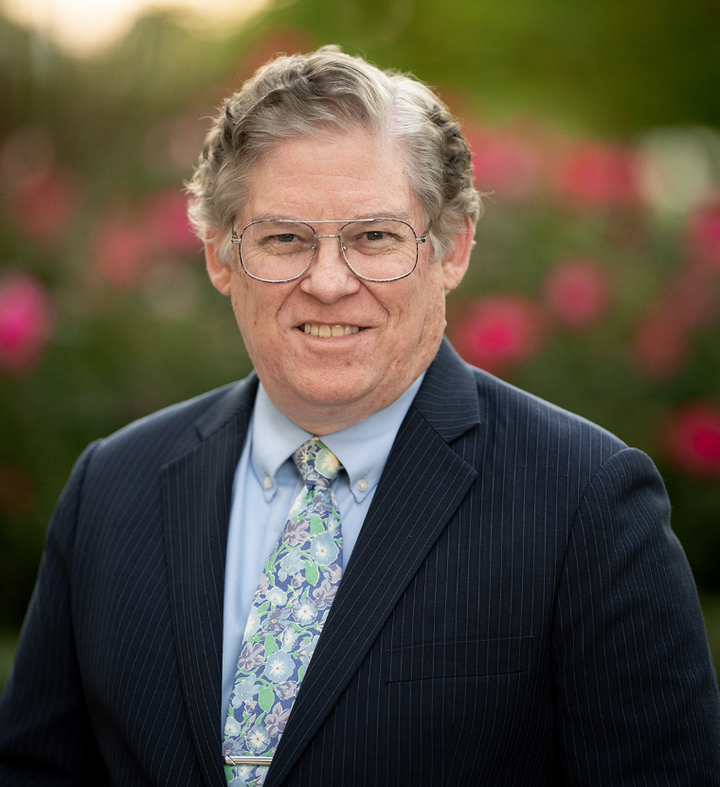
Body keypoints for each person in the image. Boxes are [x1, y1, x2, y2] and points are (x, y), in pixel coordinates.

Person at [0, 47, 718, 787]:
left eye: (374, 238)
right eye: (285, 239)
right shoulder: (110, 491)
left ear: (452, 249)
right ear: (219, 254)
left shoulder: (587, 504)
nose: (330, 282)